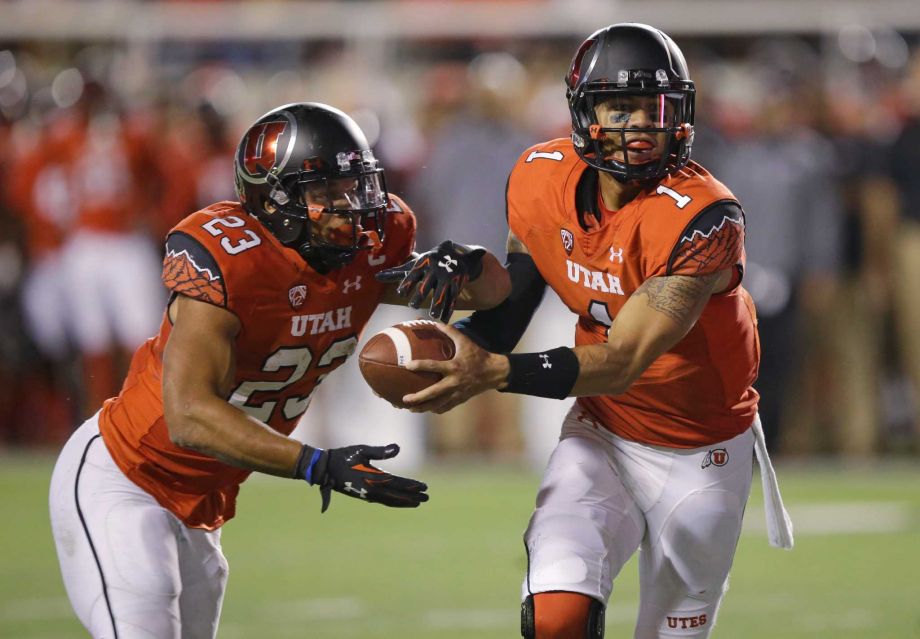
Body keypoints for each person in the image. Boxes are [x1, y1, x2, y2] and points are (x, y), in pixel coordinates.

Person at [384, 24, 793, 639]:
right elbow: (514, 301)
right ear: (584, 110)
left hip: (700, 451)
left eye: (656, 108)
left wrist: (493, 374)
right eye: (621, 107)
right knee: (556, 613)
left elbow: (625, 356)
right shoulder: (538, 175)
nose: (641, 126)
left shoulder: (706, 216)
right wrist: (454, 310)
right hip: (603, 430)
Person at [48, 102, 509, 638]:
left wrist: (466, 259)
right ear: (275, 200)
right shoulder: (230, 259)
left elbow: (491, 295)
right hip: (128, 477)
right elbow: (189, 415)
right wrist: (317, 464)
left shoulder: (364, 250)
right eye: (329, 193)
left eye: (356, 187)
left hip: (204, 502)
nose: (352, 208)